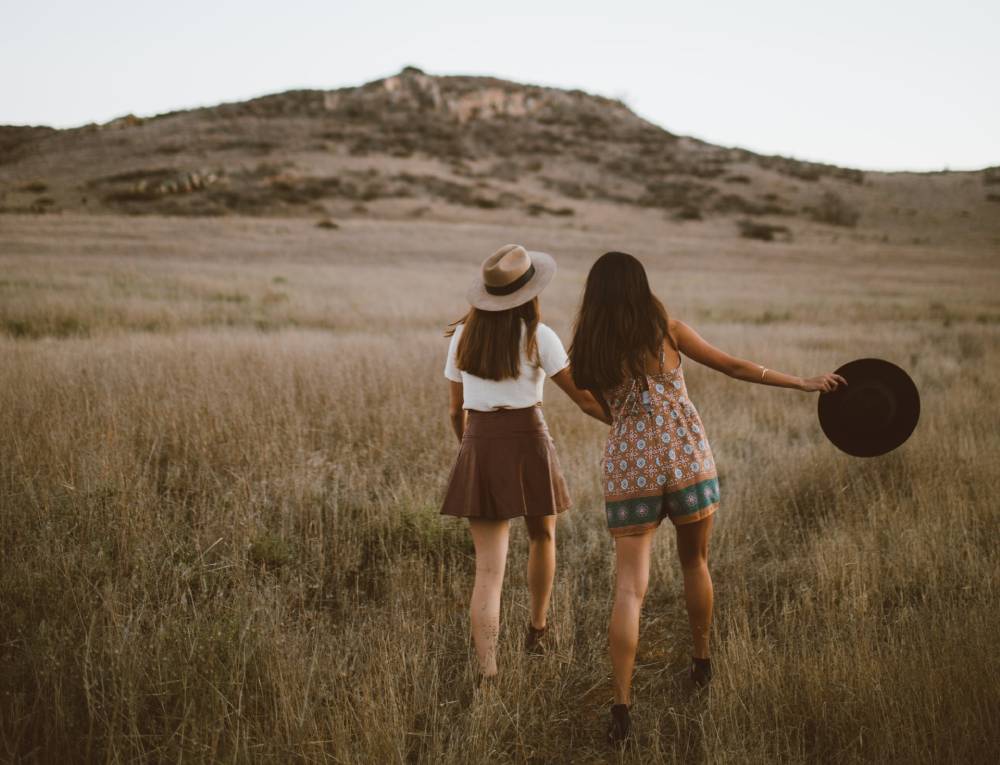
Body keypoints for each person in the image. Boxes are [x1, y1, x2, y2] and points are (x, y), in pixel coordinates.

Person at [568, 251, 846, 745]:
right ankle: (701, 662)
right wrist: (802, 382)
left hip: (630, 465)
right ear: (641, 286)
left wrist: (630, 426)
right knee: (695, 561)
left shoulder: (587, 346)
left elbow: (594, 402)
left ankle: (621, 707)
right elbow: (734, 366)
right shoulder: (668, 330)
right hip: (686, 457)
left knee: (630, 587)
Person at [441, 244, 609, 682]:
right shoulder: (540, 336)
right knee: (542, 536)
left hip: (479, 441)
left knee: (489, 569)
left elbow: (454, 410)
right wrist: (626, 421)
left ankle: (489, 673)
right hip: (530, 440)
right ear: (529, 293)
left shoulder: (463, 336)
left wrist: (472, 450)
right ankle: (537, 628)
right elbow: (585, 401)